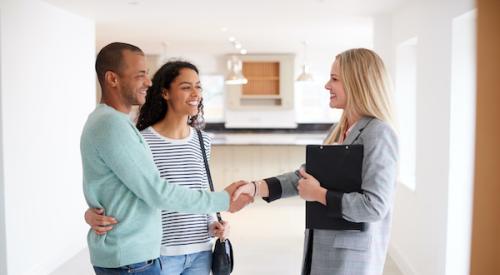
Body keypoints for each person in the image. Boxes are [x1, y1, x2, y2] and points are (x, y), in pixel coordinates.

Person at [81, 42, 250, 275]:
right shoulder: (122, 130)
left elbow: (196, 185)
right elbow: (155, 192)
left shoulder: (200, 140)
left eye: (199, 87)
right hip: (153, 254)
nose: (147, 82)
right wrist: (223, 199)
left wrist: (214, 220)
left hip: (192, 248)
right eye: (140, 74)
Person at [233, 48, 399, 275]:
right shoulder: (341, 129)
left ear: (357, 83)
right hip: (323, 248)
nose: (326, 86)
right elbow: (306, 177)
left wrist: (319, 194)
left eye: (334, 79)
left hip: (350, 258)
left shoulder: (378, 133)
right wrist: (255, 188)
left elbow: (374, 206)